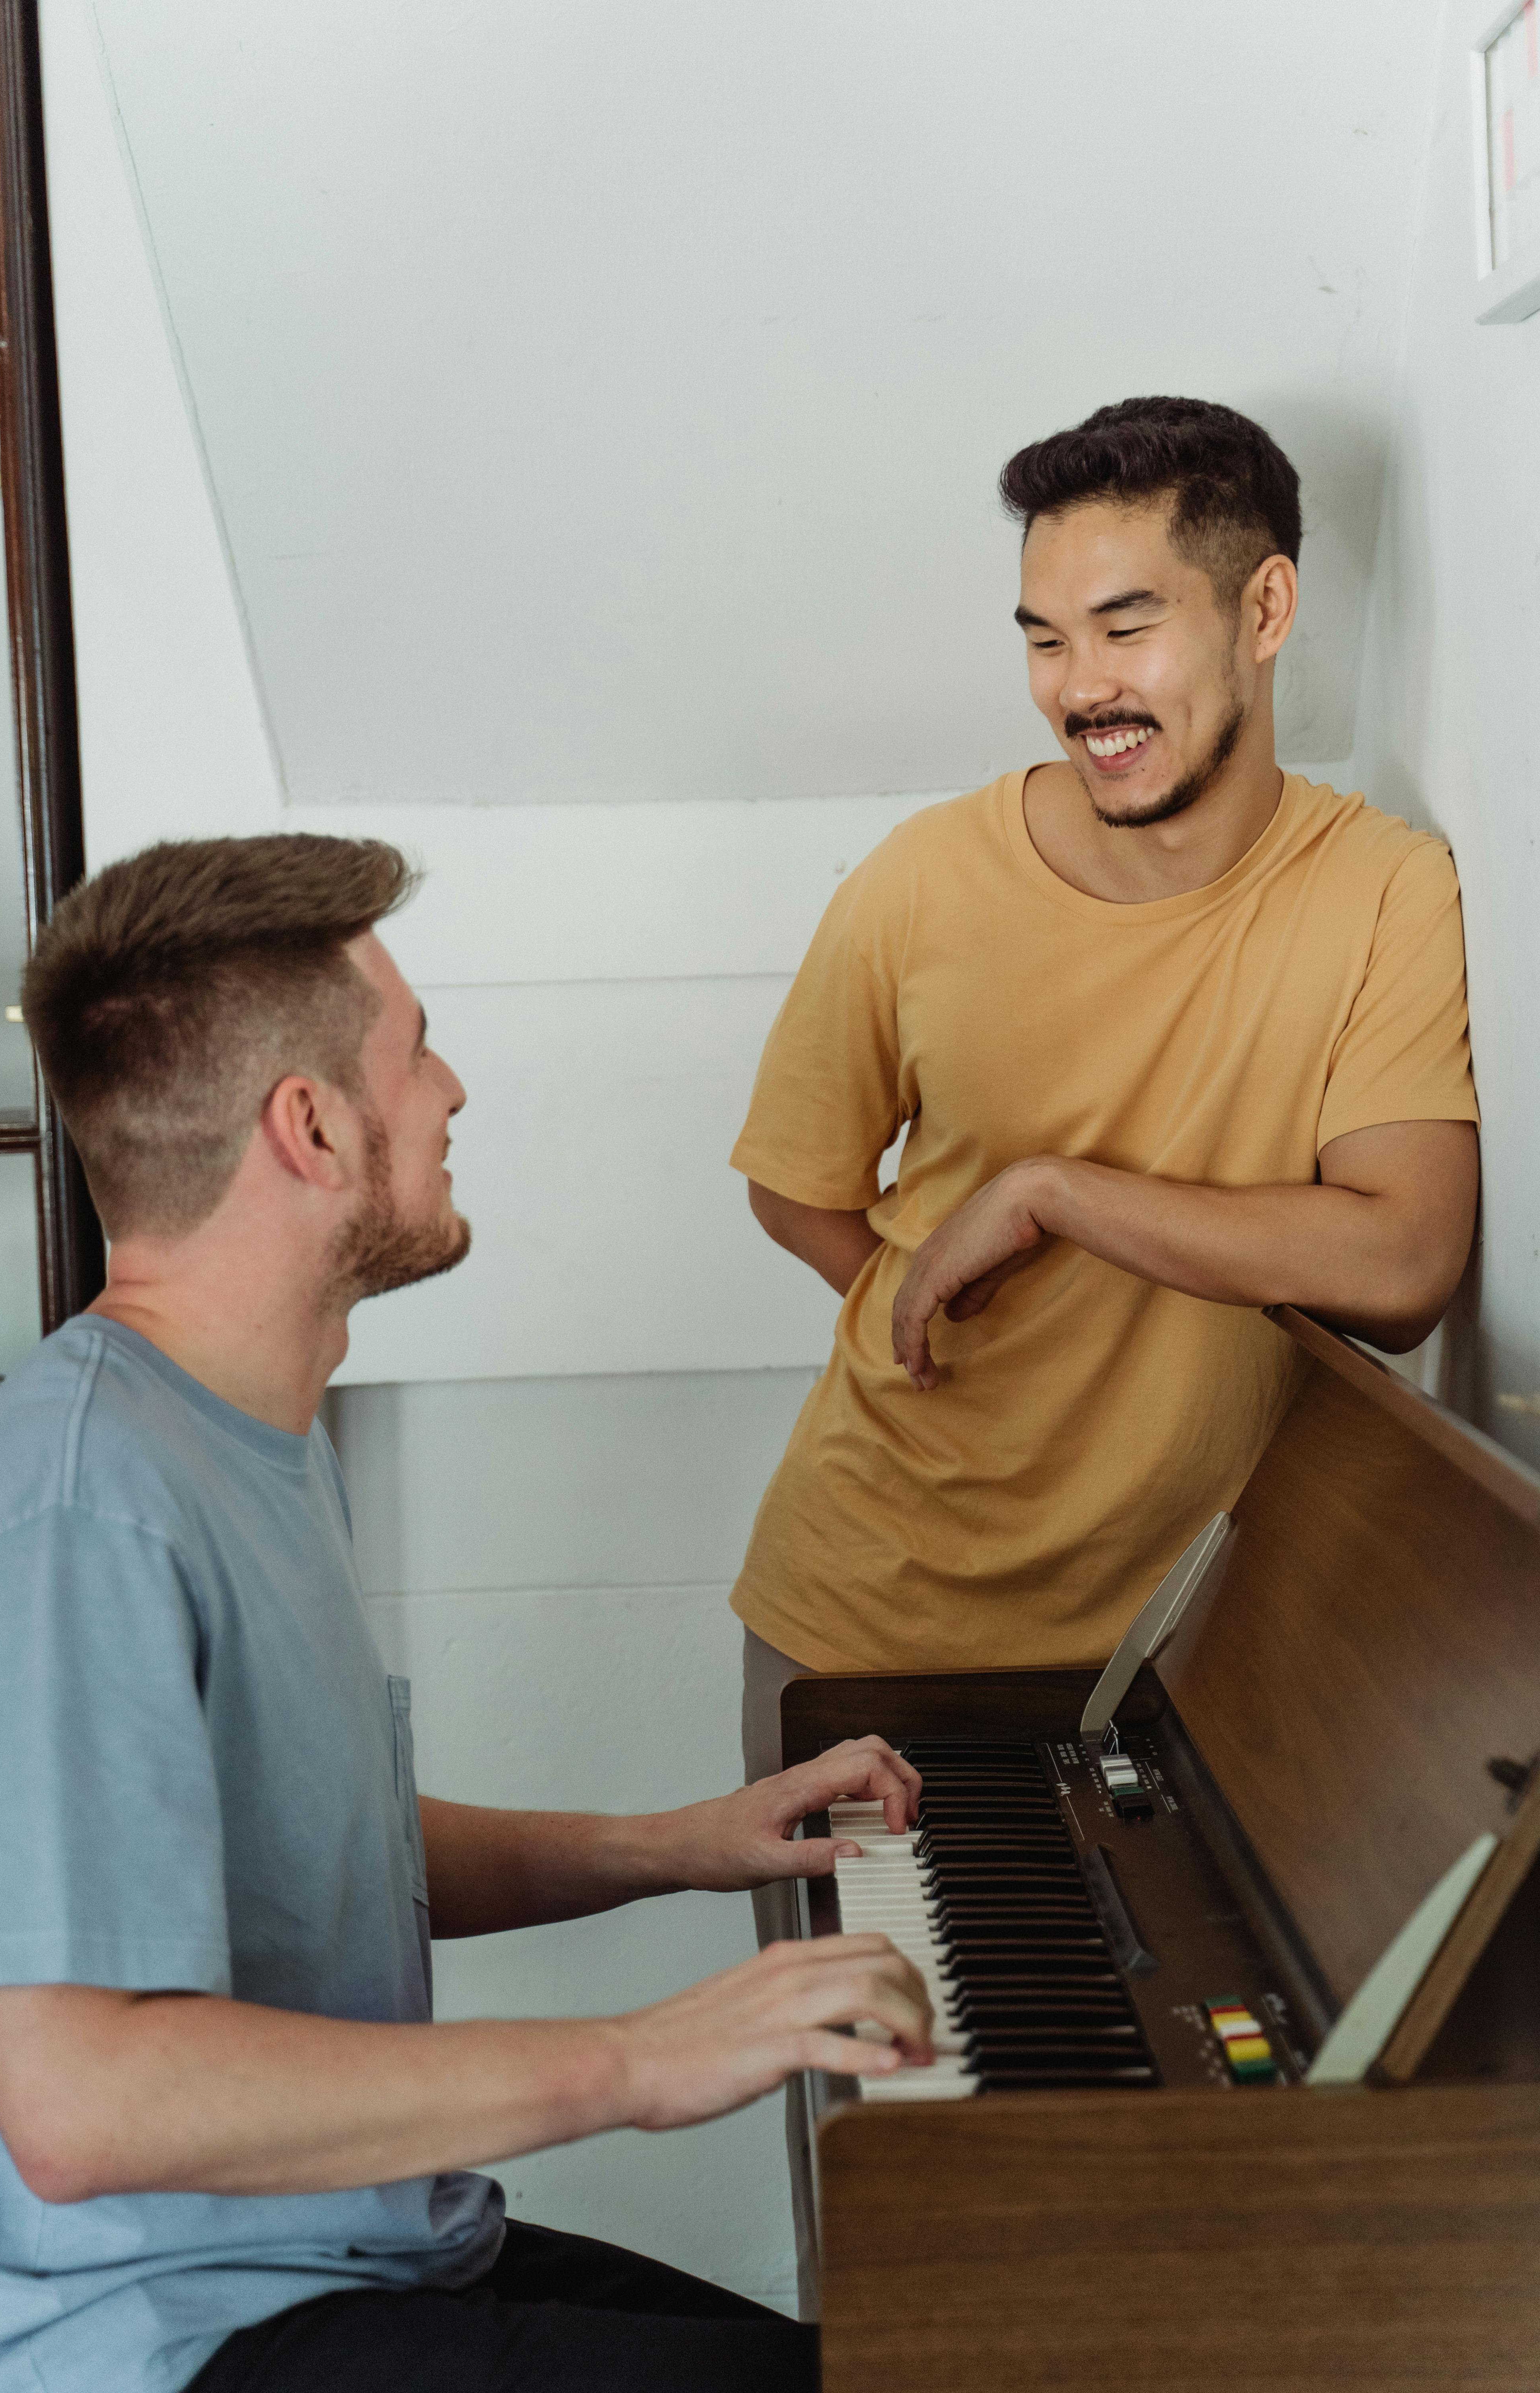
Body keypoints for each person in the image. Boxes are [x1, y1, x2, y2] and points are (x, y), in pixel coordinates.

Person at [0, 834, 934, 2393]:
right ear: (314, 1128)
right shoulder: (79, 1502)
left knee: (920, 2359)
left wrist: (677, 1845)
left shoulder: (246, 1432)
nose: (454, 1091)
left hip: (349, 2252)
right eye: (418, 1054)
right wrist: (641, 2058)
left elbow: (317, 1853)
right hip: (169, 2341)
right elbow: (78, 2105)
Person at [731, 397, 1481, 2303]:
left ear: (1267, 609)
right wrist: (946, 1336)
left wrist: (1058, 1197)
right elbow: (805, 1191)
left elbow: (1403, 1263)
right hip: (879, 1618)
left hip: (1203, 1659)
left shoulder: (1382, 890)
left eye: (1127, 626)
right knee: (911, 2249)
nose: (1080, 689)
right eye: (1045, 639)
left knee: (1167, 2265)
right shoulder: (917, 882)